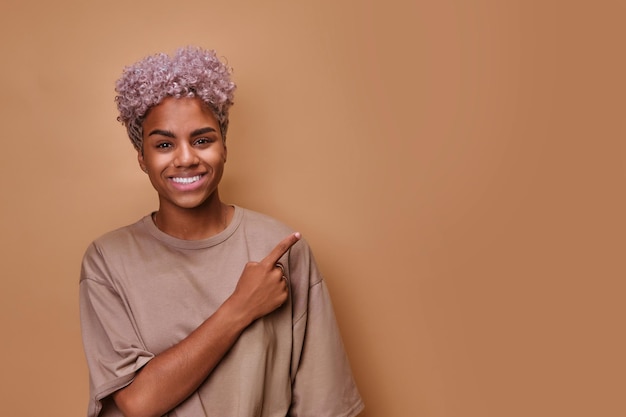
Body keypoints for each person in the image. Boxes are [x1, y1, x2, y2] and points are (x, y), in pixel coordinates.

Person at [79, 46, 364, 417]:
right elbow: (137, 402)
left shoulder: (279, 248)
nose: (185, 158)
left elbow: (323, 403)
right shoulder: (107, 260)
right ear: (142, 158)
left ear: (224, 147)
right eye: (164, 144)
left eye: (202, 140)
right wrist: (239, 309)